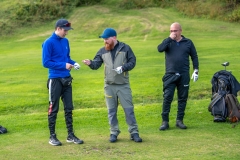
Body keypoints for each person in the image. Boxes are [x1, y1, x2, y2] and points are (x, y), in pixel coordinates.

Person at [82, 28, 142, 143]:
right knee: (111, 111)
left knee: (129, 110)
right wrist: (90, 63)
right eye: (104, 39)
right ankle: (114, 132)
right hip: (109, 86)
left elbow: (132, 62)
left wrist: (123, 67)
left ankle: (134, 132)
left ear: (114, 37)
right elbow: (96, 64)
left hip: (123, 85)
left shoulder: (126, 48)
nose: (105, 41)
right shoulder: (102, 51)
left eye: (107, 39)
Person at [42, 19, 83, 146]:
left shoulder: (65, 41)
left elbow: (67, 58)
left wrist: (73, 62)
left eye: (67, 31)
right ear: (58, 28)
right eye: (65, 30)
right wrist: (63, 65)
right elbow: (46, 62)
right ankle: (52, 136)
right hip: (55, 79)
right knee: (53, 108)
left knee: (69, 108)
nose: (66, 33)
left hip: (67, 79)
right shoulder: (48, 43)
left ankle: (70, 135)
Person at [157, 22, 199, 130]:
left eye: (175, 31)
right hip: (170, 75)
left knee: (182, 98)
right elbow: (160, 49)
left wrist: (196, 70)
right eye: (171, 31)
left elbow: (194, 56)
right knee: (167, 98)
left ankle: (179, 120)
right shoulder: (168, 42)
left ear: (180, 31)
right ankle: (165, 121)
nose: (173, 33)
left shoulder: (188, 42)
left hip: (183, 74)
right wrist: (169, 39)